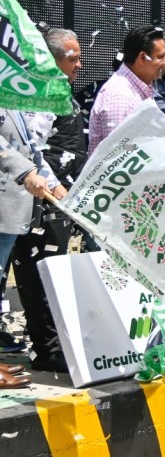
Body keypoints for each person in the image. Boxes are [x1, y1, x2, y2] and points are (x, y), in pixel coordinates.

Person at [10, 28, 88, 373]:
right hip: (13, 201)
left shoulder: (57, 94)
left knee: (45, 275)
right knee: (27, 275)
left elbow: (36, 154)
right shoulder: (19, 95)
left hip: (45, 198)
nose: (80, 65)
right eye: (72, 58)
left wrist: (61, 192)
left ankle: (49, 348)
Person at [0, 107, 68, 386]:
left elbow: (30, 147)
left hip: (11, 212)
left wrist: (53, 183)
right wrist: (26, 172)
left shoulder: (10, 99)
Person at [88, 25, 165, 155]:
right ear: (142, 58)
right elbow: (118, 151)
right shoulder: (121, 96)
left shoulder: (137, 89)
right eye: (160, 57)